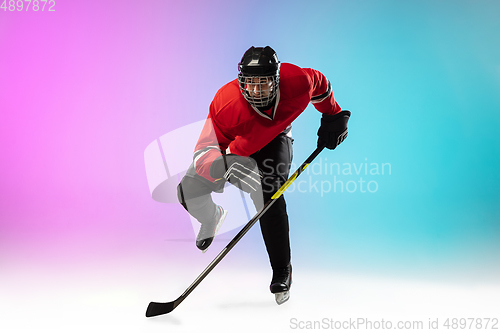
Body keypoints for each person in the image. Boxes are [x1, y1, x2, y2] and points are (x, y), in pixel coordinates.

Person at [177, 46, 350, 304]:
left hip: (276, 141)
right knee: (187, 190)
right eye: (251, 84)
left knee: (270, 195)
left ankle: (282, 271)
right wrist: (221, 166)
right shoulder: (226, 104)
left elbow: (320, 84)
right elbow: (204, 150)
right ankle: (212, 217)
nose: (257, 91)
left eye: (264, 84)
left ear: (277, 80)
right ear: (241, 83)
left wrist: (333, 114)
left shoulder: (298, 83)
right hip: (240, 150)